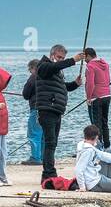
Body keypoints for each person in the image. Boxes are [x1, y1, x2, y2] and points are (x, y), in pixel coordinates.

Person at [33, 44, 85, 182]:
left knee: (53, 143)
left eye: (63, 58)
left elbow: (62, 87)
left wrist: (75, 84)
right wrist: (73, 60)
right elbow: (53, 67)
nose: (61, 60)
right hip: (47, 109)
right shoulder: (43, 66)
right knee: (50, 143)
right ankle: (49, 173)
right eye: (59, 57)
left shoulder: (56, 71)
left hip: (56, 110)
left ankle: (49, 172)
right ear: (52, 55)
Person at [83, 48, 111, 149]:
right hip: (107, 95)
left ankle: (98, 146)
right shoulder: (106, 64)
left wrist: (88, 98)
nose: (84, 60)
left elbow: (90, 83)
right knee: (104, 122)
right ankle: (107, 146)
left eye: (84, 57)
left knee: (96, 124)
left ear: (88, 56)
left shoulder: (90, 66)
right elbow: (108, 80)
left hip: (96, 97)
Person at [21, 59, 43, 166]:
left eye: (30, 70)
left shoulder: (34, 77)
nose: (30, 72)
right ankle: (43, 156)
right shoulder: (47, 76)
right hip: (46, 109)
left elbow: (25, 94)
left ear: (34, 68)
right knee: (43, 134)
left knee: (34, 133)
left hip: (36, 108)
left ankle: (35, 157)